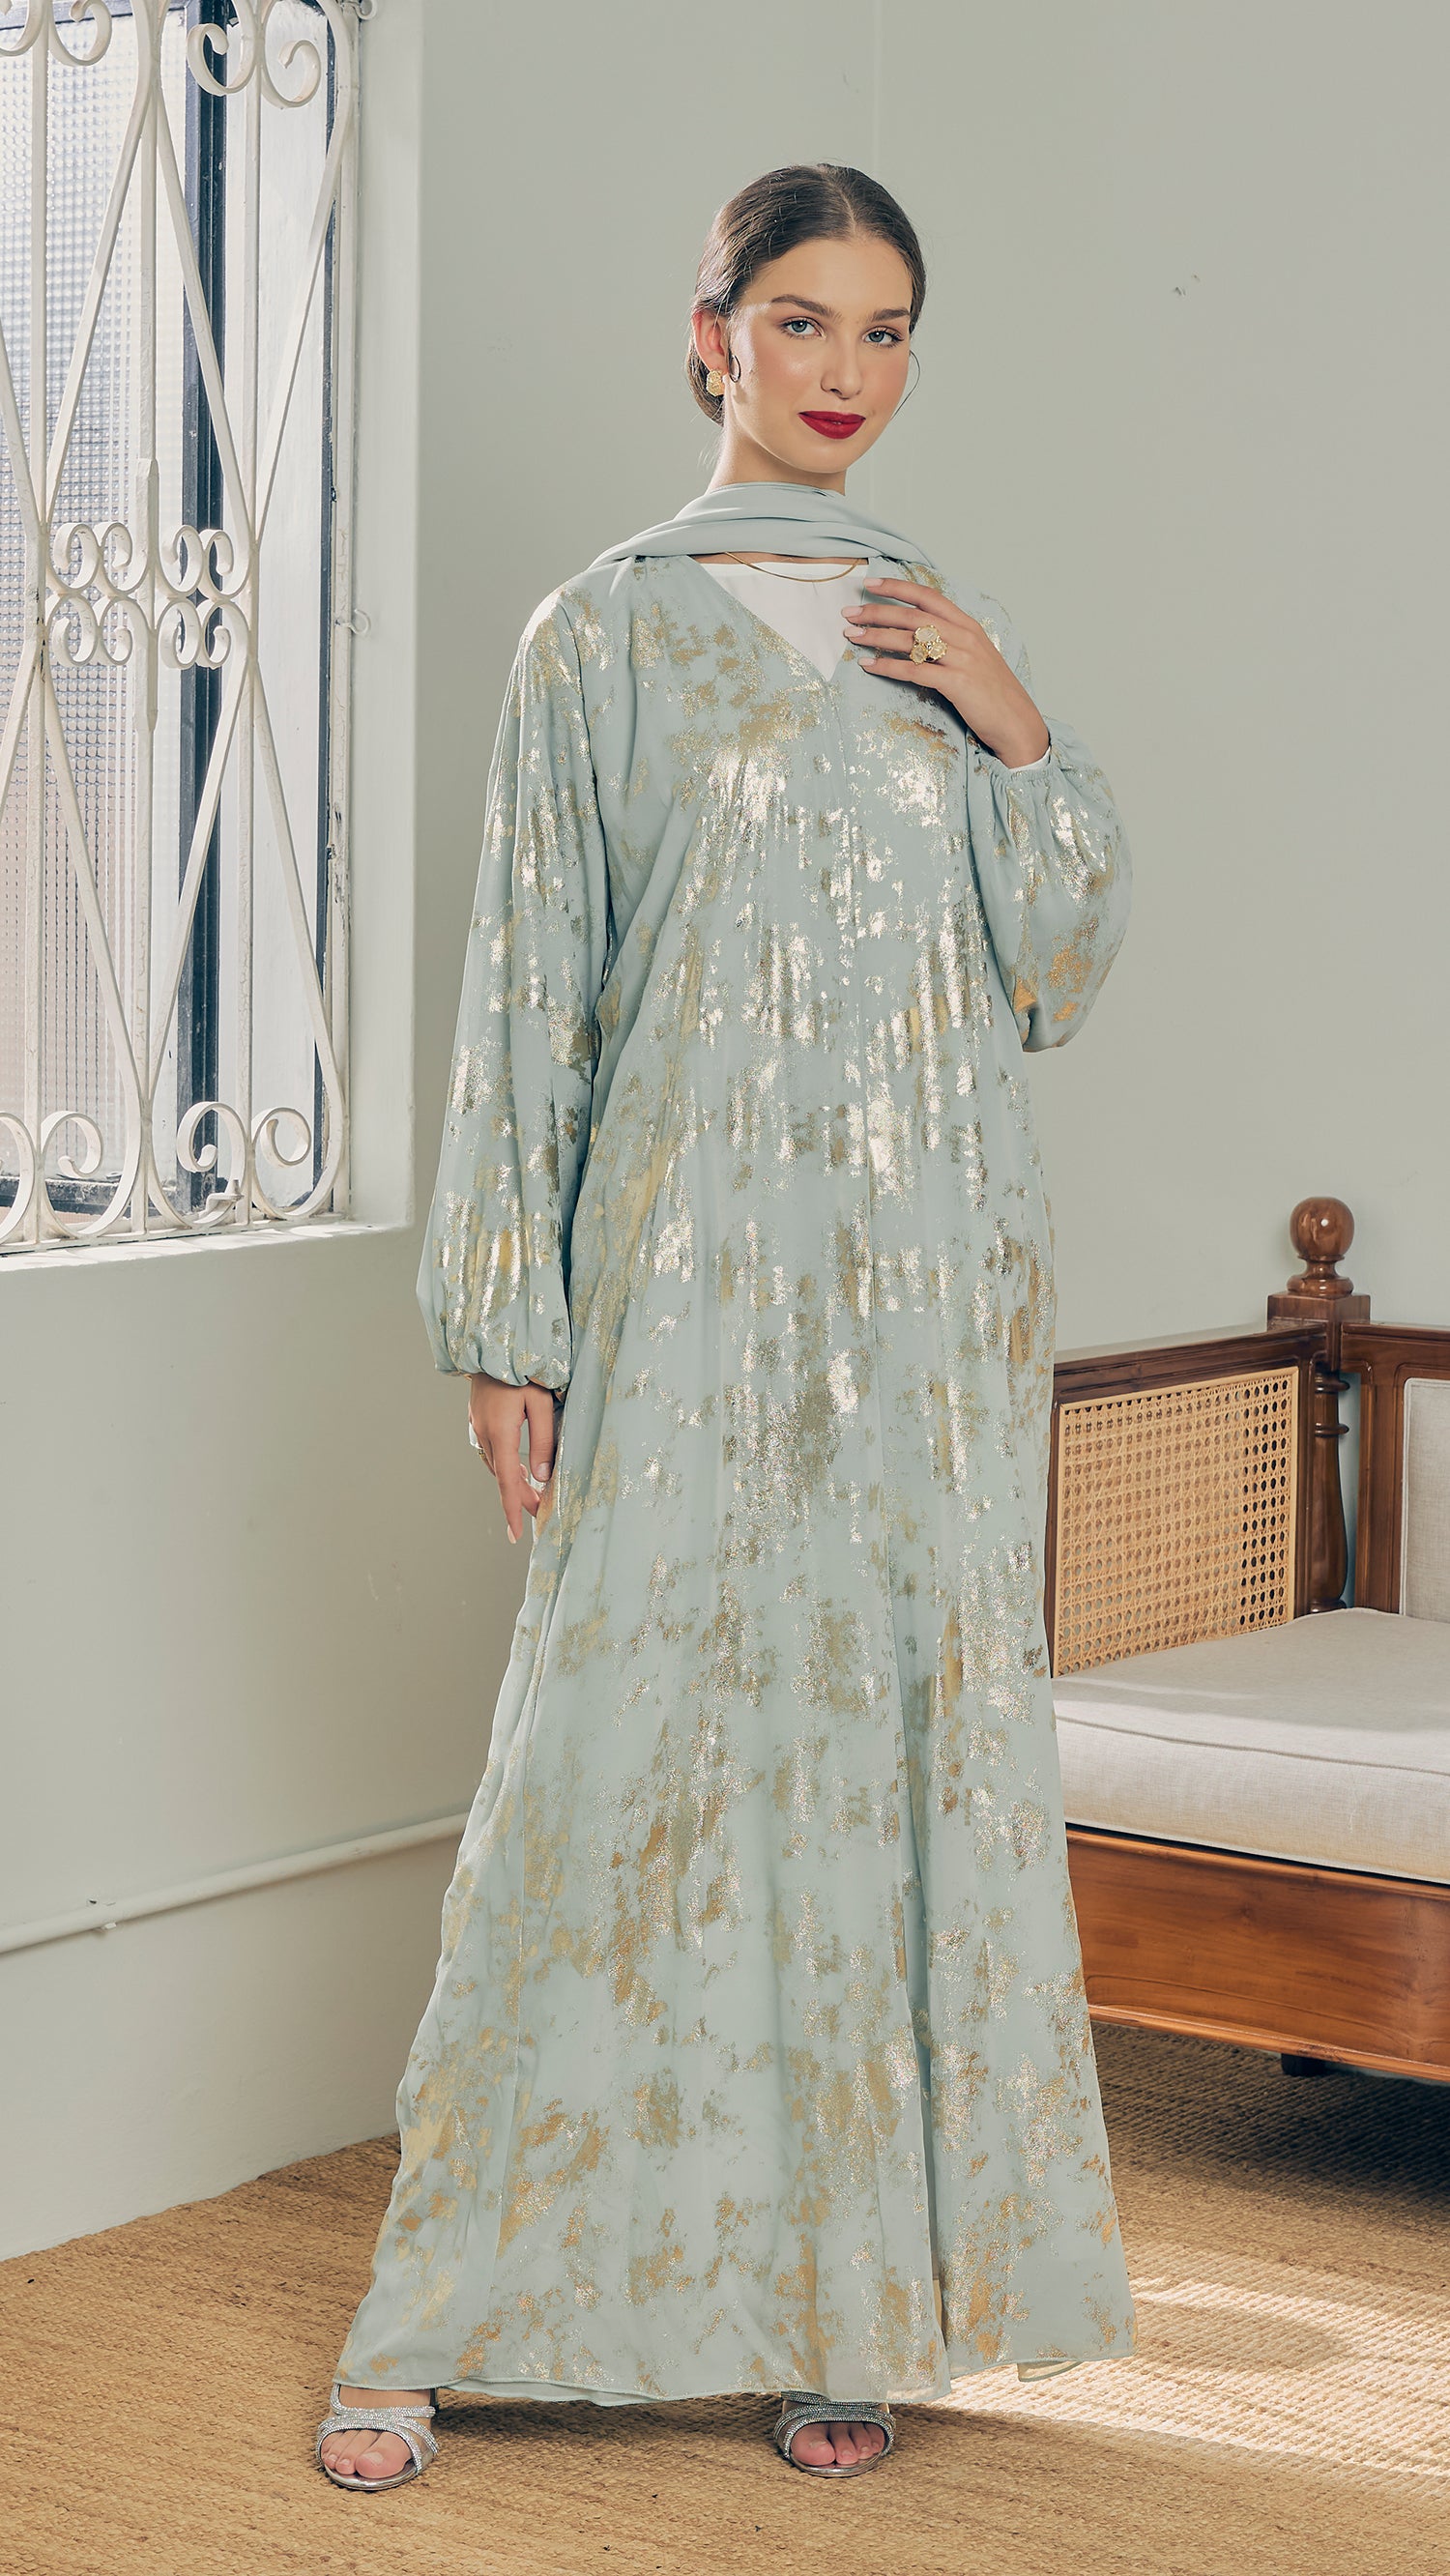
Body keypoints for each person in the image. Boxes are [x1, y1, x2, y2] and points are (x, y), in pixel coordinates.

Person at [318, 160, 1137, 2493]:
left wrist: (1020, 725)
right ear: (711, 335)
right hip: (679, 1289)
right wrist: (506, 1323)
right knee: (612, 1763)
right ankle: (435, 2317)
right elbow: (530, 998)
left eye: (885, 331)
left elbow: (1054, 974)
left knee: (870, 1759)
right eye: (800, 320)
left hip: (923, 1305)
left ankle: (836, 2304)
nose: (844, 371)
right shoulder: (599, 634)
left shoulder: (936, 628)